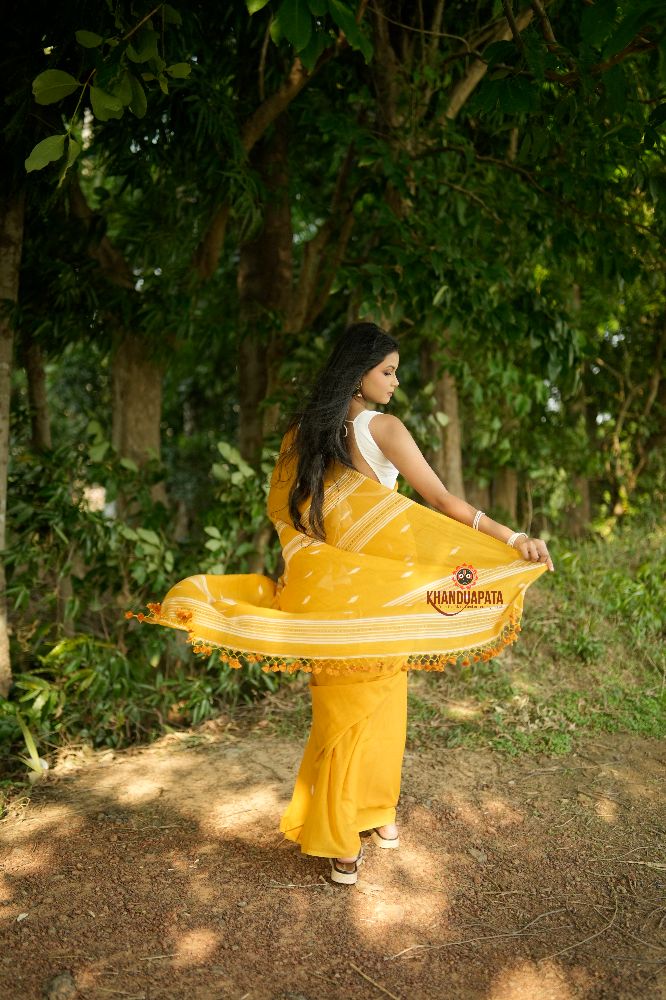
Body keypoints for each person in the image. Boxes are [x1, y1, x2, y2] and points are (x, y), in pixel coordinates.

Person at [127, 322, 552, 886]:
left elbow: (290, 520)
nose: (395, 382)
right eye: (387, 371)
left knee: (343, 709)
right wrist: (512, 538)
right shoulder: (384, 428)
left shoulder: (303, 436)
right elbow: (443, 500)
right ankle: (351, 832)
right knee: (375, 702)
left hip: (326, 595)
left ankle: (371, 813)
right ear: (358, 374)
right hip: (377, 595)